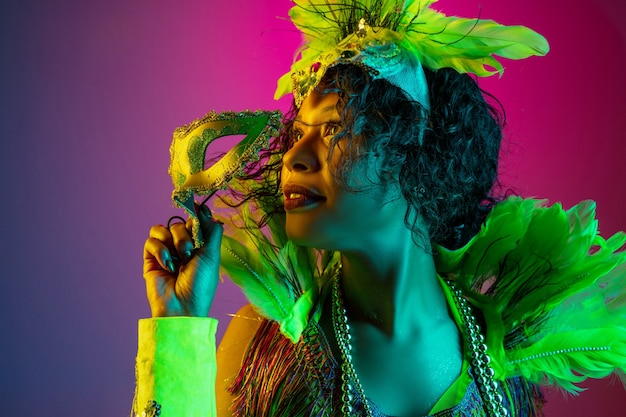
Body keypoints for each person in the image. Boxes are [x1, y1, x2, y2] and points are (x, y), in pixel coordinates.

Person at [134, 1, 626, 416]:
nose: (293, 157)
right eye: (298, 133)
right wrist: (178, 328)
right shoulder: (267, 354)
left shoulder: (505, 364)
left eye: (332, 130)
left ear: (411, 150)